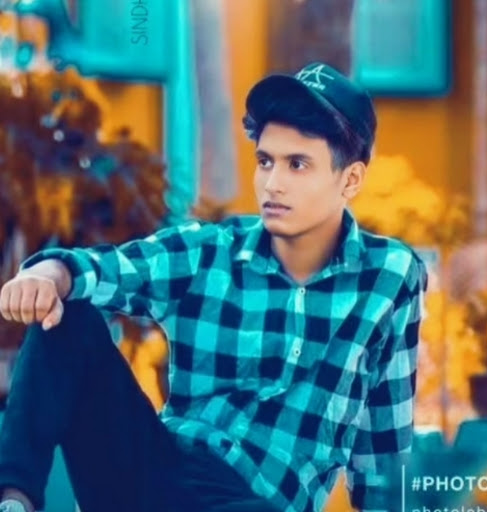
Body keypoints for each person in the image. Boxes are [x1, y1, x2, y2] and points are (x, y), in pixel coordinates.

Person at [0, 61, 427, 512]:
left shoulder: (389, 275)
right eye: (265, 161)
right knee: (67, 318)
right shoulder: (211, 250)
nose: (273, 184)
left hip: (258, 501)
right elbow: (105, 269)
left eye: (297, 164)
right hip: (158, 471)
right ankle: (12, 501)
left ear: (351, 179)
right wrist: (47, 276)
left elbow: (384, 447)